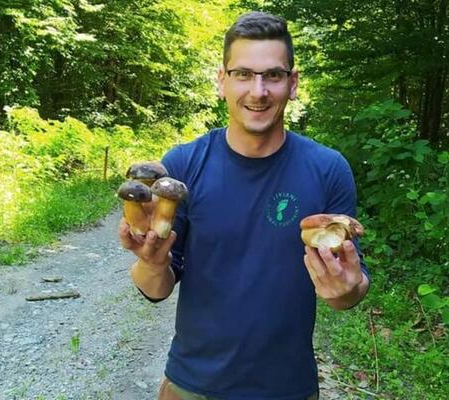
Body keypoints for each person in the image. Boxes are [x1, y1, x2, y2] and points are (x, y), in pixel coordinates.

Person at [118, 11, 370, 400]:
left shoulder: (328, 169)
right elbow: (157, 288)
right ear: (222, 81)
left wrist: (346, 290)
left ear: (293, 83)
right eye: (243, 74)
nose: (258, 91)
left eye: (273, 75)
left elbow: (349, 289)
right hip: (192, 385)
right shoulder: (185, 164)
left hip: (288, 388)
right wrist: (150, 263)